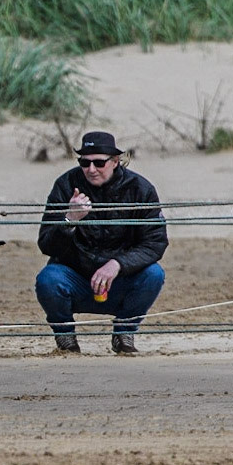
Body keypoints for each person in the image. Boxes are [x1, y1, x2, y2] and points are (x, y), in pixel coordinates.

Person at [35, 131, 167, 354]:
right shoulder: (66, 185)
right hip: (76, 277)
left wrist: (118, 264)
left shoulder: (140, 189)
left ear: (115, 161)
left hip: (121, 279)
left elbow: (155, 243)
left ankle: (124, 332)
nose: (91, 169)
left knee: (154, 275)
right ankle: (65, 337)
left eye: (99, 162)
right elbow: (46, 244)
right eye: (84, 163)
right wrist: (69, 220)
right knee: (48, 279)